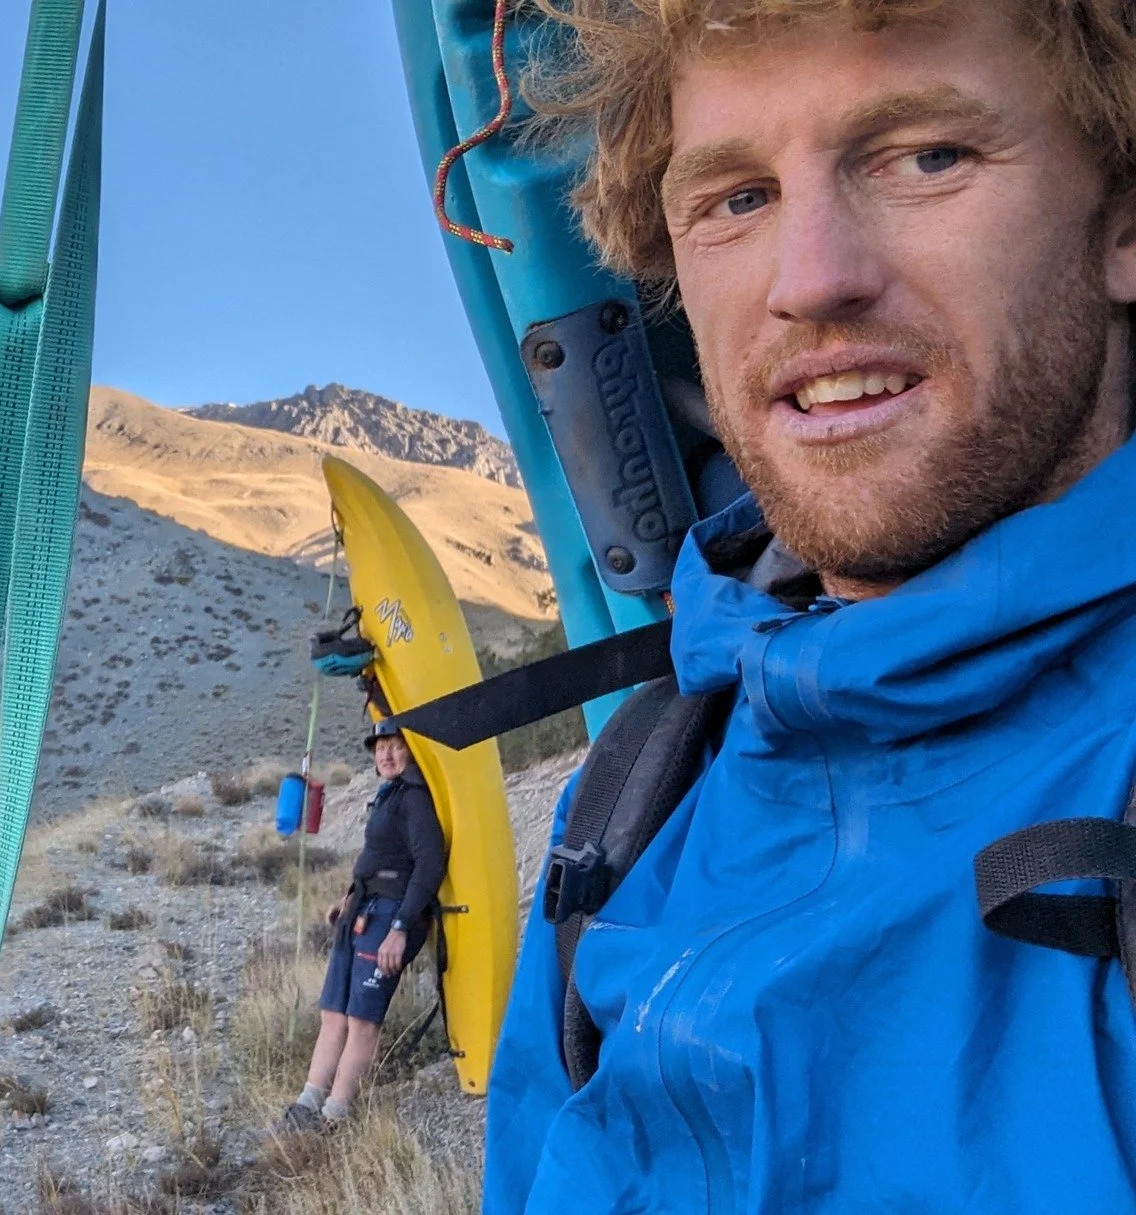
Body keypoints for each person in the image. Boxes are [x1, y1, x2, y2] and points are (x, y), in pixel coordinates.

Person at [484, 0, 1136, 1210]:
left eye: (926, 156)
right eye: (736, 198)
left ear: (1124, 221)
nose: (811, 280)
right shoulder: (637, 796)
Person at [283, 721, 446, 1131]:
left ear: (410, 750)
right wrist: (347, 900)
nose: (386, 754)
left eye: (395, 746)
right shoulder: (388, 794)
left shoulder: (415, 798)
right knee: (333, 1014)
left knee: (362, 1021)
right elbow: (377, 858)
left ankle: (333, 1117)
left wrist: (400, 928)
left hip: (390, 916)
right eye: (380, 747)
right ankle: (305, 1109)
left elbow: (429, 865)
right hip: (362, 910)